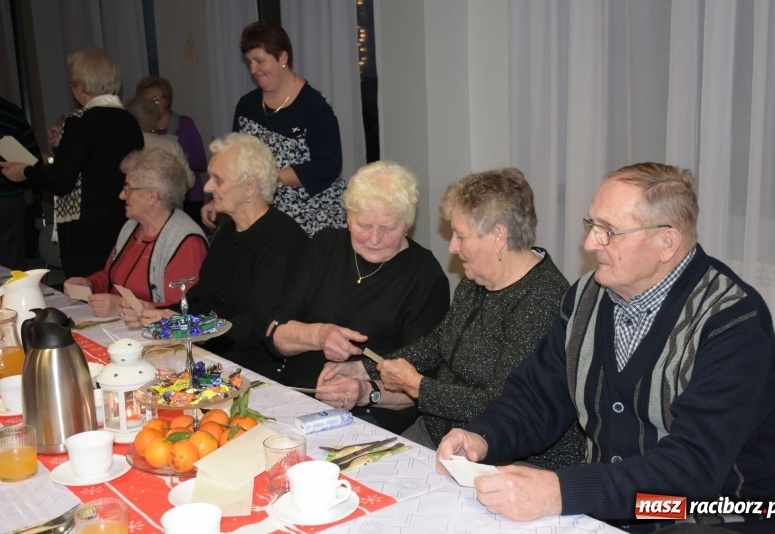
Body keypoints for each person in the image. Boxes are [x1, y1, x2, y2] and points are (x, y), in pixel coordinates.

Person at [436, 163, 775, 533]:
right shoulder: (585, 297)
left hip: (718, 514)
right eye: (591, 225)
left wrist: (562, 492)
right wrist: (483, 436)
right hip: (610, 509)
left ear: (667, 242)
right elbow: (538, 398)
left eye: (609, 231)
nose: (591, 243)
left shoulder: (732, 322)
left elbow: (693, 468)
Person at [316, 169, 585, 467]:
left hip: (504, 457)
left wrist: (419, 387)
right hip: (439, 433)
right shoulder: (477, 277)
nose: (452, 247)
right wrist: (365, 367)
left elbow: (501, 405)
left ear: (498, 237)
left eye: (460, 235)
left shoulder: (543, 299)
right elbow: (437, 343)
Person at [266, 160, 449, 433]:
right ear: (348, 218)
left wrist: (366, 391)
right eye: (364, 225)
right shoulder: (324, 246)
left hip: (372, 416)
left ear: (407, 225)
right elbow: (274, 336)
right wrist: (319, 335)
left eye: (387, 229)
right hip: (296, 396)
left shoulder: (425, 276)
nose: (374, 238)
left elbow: (422, 387)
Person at [124, 133, 308, 372]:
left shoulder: (283, 240)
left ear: (249, 187)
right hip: (217, 358)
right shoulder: (227, 232)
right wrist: (159, 315)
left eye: (217, 180)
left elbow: (259, 325)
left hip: (258, 369)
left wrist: (188, 326)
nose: (208, 187)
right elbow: (201, 299)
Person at [0, 48, 143, 278]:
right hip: (123, 221)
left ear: (81, 86)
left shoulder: (81, 121)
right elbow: (96, 163)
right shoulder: (129, 121)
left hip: (86, 231)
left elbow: (61, 181)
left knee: (86, 299)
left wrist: (25, 171)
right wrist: (63, 144)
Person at [202, 21, 345, 236]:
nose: (253, 69)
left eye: (259, 61)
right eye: (249, 62)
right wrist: (219, 199)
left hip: (311, 218)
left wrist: (272, 178)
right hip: (258, 214)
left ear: (283, 57)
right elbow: (232, 163)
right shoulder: (247, 106)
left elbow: (329, 165)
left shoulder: (315, 107)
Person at [64, 148, 207, 316]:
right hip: (123, 332)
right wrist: (89, 284)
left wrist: (122, 307)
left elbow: (181, 311)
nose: (121, 196)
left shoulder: (186, 242)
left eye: (128, 189)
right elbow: (111, 277)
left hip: (158, 339)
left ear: (152, 196)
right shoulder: (131, 227)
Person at [135, 76, 207, 227]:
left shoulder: (185, 124)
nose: (153, 105)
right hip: (155, 201)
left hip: (189, 197)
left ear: (167, 100)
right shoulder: (139, 133)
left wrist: (174, 156)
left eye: (156, 99)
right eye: (147, 101)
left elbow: (201, 162)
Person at [0, 97, 42, 270]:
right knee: (12, 260)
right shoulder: (10, 111)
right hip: (9, 198)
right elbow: (34, 160)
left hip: (9, 198)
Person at [124, 96, 194, 190]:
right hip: (166, 201)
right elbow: (189, 181)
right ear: (155, 119)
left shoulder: (120, 145)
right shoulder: (171, 144)